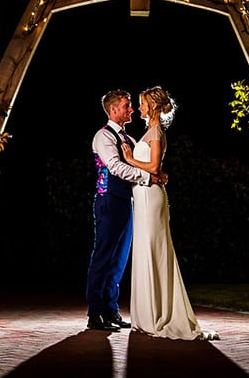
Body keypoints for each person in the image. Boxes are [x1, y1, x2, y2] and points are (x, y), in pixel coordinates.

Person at [119, 86, 218, 340]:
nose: (139, 108)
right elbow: (154, 169)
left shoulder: (155, 132)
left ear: (151, 106)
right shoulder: (150, 132)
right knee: (144, 250)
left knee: (154, 249)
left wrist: (130, 159)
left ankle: (160, 314)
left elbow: (153, 166)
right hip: (142, 198)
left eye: (141, 104)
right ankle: (147, 314)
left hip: (151, 199)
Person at [86, 89, 168, 331]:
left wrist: (158, 174)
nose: (130, 109)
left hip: (127, 203)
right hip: (108, 201)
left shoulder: (129, 139)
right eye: (126, 105)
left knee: (119, 259)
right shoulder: (104, 137)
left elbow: (142, 162)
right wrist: (148, 177)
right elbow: (115, 168)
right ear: (113, 110)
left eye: (131, 105)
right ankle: (96, 312)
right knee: (104, 256)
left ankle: (111, 309)